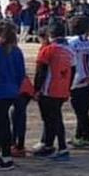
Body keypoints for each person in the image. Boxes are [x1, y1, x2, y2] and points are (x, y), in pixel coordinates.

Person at [34, 20, 73, 160]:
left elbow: (41, 72)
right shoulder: (69, 50)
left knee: (52, 119)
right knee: (54, 118)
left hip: (48, 89)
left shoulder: (48, 50)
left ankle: (62, 148)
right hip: (62, 88)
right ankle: (49, 145)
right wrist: (68, 88)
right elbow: (73, 71)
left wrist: (36, 89)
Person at [66, 15, 89, 148]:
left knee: (80, 110)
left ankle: (86, 136)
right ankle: (79, 136)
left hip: (77, 78)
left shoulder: (70, 42)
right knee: (84, 108)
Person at [0, 22, 26, 170]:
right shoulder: (16, 51)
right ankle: (6, 155)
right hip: (12, 90)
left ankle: (5, 157)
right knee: (3, 122)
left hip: (0, 91)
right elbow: (21, 74)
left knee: (2, 123)